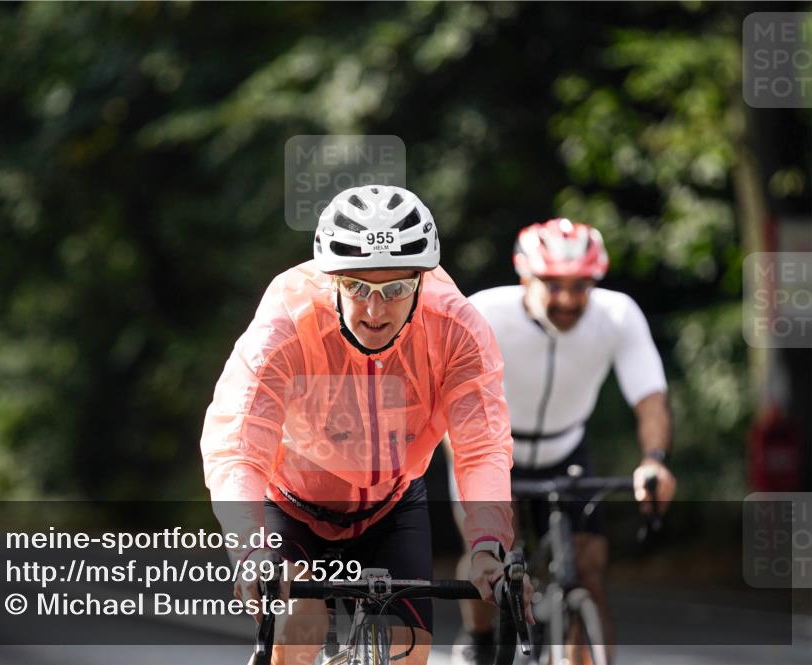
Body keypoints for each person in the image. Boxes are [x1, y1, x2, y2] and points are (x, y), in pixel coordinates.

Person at [201, 185, 533, 665]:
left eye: (396, 289)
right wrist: (251, 549)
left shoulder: (457, 327)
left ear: (421, 280)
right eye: (357, 286)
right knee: (301, 623)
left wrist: (487, 544)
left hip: (391, 505)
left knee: (411, 650)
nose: (375, 310)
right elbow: (237, 444)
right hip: (292, 507)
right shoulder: (285, 325)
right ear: (330, 278)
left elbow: (481, 447)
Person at [447, 218, 678, 665]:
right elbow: (451, 404)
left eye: (581, 286)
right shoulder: (484, 312)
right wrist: (481, 483)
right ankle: (478, 641)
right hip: (488, 450)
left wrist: (655, 460)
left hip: (566, 449)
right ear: (524, 277)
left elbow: (651, 397)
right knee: (487, 559)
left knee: (588, 571)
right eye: (553, 285)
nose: (569, 299)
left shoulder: (616, 315)